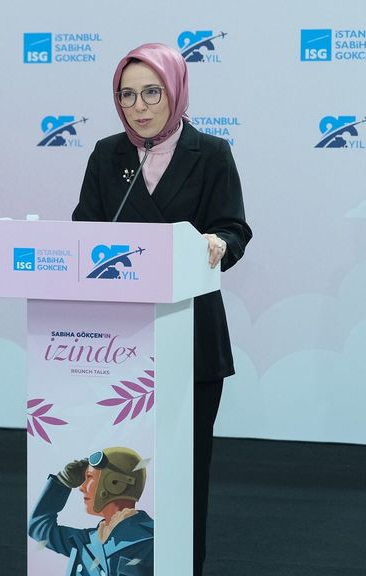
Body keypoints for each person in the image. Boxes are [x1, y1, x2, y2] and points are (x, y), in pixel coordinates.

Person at [72, 42, 252, 575]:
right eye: (126, 95)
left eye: (152, 92)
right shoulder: (107, 154)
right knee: (120, 471)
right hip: (116, 342)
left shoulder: (211, 153)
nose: (139, 106)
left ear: (175, 91)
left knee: (182, 470)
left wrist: (218, 244)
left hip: (189, 338)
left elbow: (234, 229)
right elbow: (84, 230)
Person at [28, 448, 153, 576]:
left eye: (89, 477)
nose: (82, 487)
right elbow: (38, 526)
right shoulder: (85, 542)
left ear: (115, 483)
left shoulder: (153, 540)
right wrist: (63, 481)